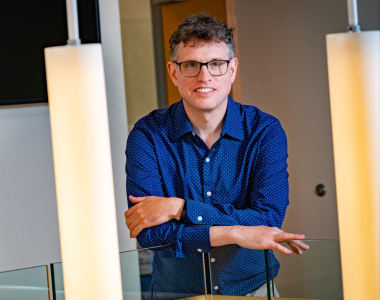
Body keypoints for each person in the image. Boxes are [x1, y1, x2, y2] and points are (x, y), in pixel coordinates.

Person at [125, 12, 308, 299]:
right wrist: (236, 233)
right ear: (174, 72)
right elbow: (150, 235)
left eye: (216, 64)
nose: (204, 76)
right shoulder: (147, 135)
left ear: (232, 69)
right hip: (175, 294)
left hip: (253, 291)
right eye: (191, 65)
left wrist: (180, 208)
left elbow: (268, 219)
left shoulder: (265, 132)